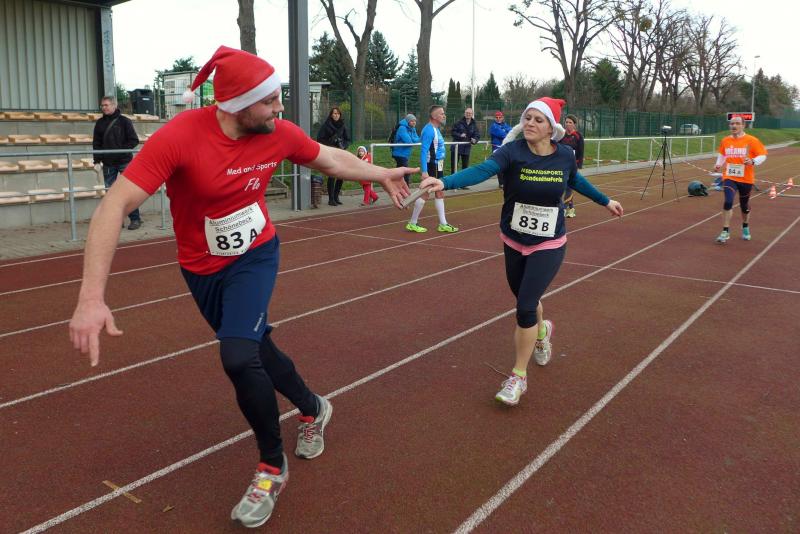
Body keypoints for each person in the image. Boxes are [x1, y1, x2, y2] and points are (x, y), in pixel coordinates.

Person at [68, 46, 413, 528]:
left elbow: (330, 160)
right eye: (269, 101)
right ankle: (313, 407)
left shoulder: (276, 132)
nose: (279, 108)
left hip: (255, 255)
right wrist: (91, 297)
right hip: (201, 268)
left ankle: (271, 467)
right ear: (235, 104)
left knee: (237, 354)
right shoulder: (179, 138)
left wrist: (382, 173)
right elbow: (114, 205)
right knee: (255, 348)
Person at [420, 97, 623, 406]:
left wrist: (605, 201)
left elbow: (577, 181)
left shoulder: (564, 156)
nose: (530, 123)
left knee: (525, 306)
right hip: (514, 240)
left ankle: (518, 376)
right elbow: (483, 170)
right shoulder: (512, 152)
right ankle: (542, 331)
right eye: (527, 118)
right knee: (526, 300)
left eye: (538, 120)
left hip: (548, 242)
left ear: (551, 128)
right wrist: (445, 182)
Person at [713, 116, 767, 243]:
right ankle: (725, 231)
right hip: (729, 176)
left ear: (743, 125)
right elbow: (722, 154)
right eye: (732, 124)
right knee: (728, 202)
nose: (734, 126)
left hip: (745, 178)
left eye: (737, 123)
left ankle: (745, 226)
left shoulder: (752, 140)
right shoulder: (725, 140)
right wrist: (718, 164)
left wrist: (753, 161)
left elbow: (763, 155)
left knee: (744, 206)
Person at [405, 105, 458, 234]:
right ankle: (412, 222)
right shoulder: (429, 130)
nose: (444, 115)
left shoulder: (436, 129)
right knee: (425, 193)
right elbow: (423, 151)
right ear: (434, 116)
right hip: (431, 165)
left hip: (438, 165)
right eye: (441, 113)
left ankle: (443, 224)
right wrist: (424, 171)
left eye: (444, 113)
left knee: (439, 191)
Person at [92, 96, 141, 229]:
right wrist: (96, 161)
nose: (104, 107)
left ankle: (135, 219)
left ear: (114, 105)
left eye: (106, 105)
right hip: (108, 163)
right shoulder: (99, 123)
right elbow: (96, 143)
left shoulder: (125, 121)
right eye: (102, 105)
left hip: (124, 161)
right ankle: (116, 220)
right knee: (110, 194)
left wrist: (121, 151)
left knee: (129, 192)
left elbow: (134, 140)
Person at [316, 106, 351, 206]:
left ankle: (336, 197)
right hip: (330, 153)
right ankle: (331, 199)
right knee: (332, 175)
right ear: (331, 115)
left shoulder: (342, 126)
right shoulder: (326, 125)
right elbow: (320, 139)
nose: (336, 115)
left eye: (338, 113)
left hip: (341, 152)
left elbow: (347, 139)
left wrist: (343, 145)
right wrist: (331, 144)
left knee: (341, 176)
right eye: (334, 113)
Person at [558, 114, 584, 218]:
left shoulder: (578, 136)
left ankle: (564, 208)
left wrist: (579, 165)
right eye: (566, 122)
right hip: (562, 164)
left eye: (570, 122)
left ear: (574, 124)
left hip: (573, 165)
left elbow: (581, 152)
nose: (568, 124)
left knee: (568, 186)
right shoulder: (561, 135)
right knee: (564, 186)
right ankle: (571, 209)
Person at [450, 107, 480, 189]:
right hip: (456, 147)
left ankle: (463, 184)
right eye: (467, 113)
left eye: (469, 113)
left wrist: (475, 140)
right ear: (464, 113)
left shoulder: (474, 124)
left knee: (465, 167)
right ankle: (453, 183)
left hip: (466, 148)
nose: (468, 114)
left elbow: (477, 135)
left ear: (472, 114)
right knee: (454, 166)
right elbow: (452, 132)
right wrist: (460, 135)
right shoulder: (458, 122)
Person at [391, 114, 420, 186]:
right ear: (408, 121)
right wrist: (413, 140)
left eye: (415, 121)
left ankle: (396, 184)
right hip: (399, 153)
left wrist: (413, 139)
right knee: (405, 171)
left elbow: (417, 140)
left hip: (405, 154)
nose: (414, 122)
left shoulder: (412, 128)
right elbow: (409, 142)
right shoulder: (402, 128)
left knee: (399, 171)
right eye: (412, 121)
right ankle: (406, 186)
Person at [489, 111, 512, 189]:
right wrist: (505, 131)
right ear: (495, 118)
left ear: (503, 118)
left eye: (500, 117)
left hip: (505, 147)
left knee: (507, 165)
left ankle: (506, 181)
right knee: (499, 165)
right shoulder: (493, 126)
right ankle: (501, 183)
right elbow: (502, 134)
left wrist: (504, 131)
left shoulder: (505, 125)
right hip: (497, 148)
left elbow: (511, 131)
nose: (498, 119)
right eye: (497, 117)